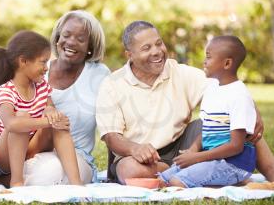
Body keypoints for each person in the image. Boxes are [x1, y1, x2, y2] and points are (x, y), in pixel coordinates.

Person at [0, 10, 110, 190]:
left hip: (67, 156)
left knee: (49, 169)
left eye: (80, 39)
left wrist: (51, 113)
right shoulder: (34, 69)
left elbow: (113, 121)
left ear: (90, 47)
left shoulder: (98, 75)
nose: (71, 42)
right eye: (66, 35)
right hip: (16, 148)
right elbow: (0, 116)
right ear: (57, 38)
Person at [96, 20, 274, 185]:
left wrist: (253, 110)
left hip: (183, 144)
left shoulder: (179, 72)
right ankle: (182, 172)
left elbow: (227, 91)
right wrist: (135, 149)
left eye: (159, 43)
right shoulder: (112, 84)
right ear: (130, 55)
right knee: (130, 170)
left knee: (240, 123)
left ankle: (272, 174)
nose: (157, 51)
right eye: (146, 48)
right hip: (137, 156)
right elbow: (111, 137)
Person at [158, 35, 256, 188]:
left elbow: (236, 146)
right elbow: (206, 130)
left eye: (208, 57)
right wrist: (192, 150)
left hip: (234, 164)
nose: (204, 61)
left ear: (227, 63)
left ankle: (237, 179)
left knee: (176, 182)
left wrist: (197, 158)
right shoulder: (212, 89)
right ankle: (232, 182)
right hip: (212, 160)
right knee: (162, 179)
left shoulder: (239, 95)